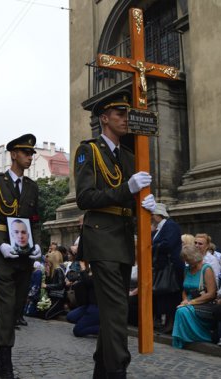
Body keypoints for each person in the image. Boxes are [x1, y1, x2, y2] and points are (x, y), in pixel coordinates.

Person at [74, 91, 156, 378]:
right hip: (101, 237)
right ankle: (117, 369)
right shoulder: (89, 150)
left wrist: (149, 206)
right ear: (104, 118)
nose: (125, 119)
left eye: (127, 114)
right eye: (119, 114)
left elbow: (133, 195)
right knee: (117, 310)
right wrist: (127, 189)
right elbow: (85, 198)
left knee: (113, 310)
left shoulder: (129, 156)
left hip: (122, 238)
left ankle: (102, 370)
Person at [0, 133, 42, 379]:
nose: (29, 157)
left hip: (25, 254)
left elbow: (35, 220)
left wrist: (37, 246)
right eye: (26, 153)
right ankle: (4, 357)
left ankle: (5, 345)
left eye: (31, 154)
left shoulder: (33, 187)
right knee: (6, 304)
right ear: (14, 154)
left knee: (17, 305)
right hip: (3, 253)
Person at [171, 244, 217, 349]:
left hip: (203, 302)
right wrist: (185, 300)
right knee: (181, 310)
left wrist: (190, 302)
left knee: (181, 311)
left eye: (188, 259)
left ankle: (190, 337)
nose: (186, 262)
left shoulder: (207, 269)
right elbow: (184, 289)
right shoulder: (187, 269)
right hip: (189, 302)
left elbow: (211, 293)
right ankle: (182, 337)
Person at [151, 203, 184, 334]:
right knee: (165, 295)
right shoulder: (160, 227)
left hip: (171, 267)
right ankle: (166, 322)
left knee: (171, 294)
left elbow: (168, 244)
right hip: (163, 266)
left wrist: (152, 247)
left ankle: (170, 323)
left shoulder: (170, 225)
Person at [66, 261, 99, 337]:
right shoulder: (90, 271)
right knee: (70, 317)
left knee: (77, 331)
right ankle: (90, 321)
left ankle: (104, 329)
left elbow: (89, 282)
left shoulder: (101, 273)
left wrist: (83, 268)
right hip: (88, 305)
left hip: (96, 307)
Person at [40, 251, 66, 320]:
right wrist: (47, 275)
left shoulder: (58, 270)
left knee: (46, 315)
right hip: (51, 296)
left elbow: (60, 285)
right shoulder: (51, 271)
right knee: (40, 312)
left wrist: (46, 286)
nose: (46, 264)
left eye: (47, 262)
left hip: (58, 297)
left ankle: (60, 310)